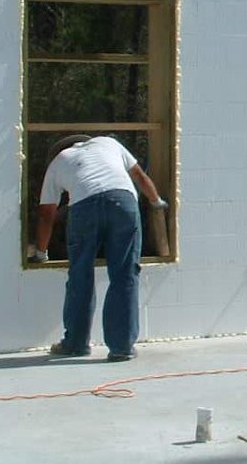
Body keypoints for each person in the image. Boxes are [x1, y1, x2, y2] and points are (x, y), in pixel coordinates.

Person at [29, 134, 166, 362]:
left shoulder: (58, 161)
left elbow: (46, 214)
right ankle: (121, 347)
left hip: (84, 207)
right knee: (124, 275)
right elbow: (140, 177)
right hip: (123, 202)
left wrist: (41, 252)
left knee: (80, 275)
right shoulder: (108, 143)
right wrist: (157, 202)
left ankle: (75, 344)